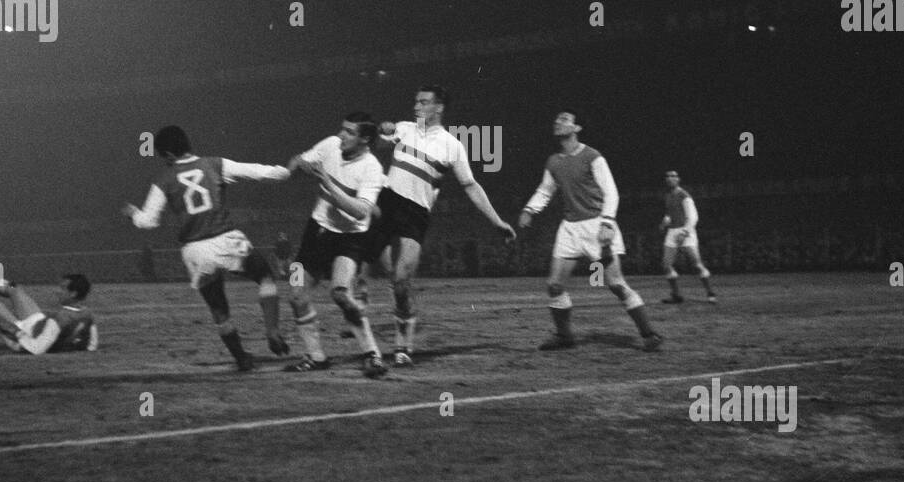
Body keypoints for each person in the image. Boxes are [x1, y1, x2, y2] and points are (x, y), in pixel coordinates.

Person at [364, 86, 515, 366]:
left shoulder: (451, 145)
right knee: (369, 267)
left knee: (401, 281)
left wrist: (496, 221)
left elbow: (470, 185)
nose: (416, 106)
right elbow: (375, 142)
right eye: (416, 101)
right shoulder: (405, 128)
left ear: (439, 108)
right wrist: (381, 130)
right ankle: (366, 336)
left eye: (423, 102)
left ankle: (402, 344)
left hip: (416, 213)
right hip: (388, 203)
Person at [124, 125, 290, 371]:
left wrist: (133, 213)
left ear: (168, 154)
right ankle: (272, 331)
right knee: (265, 277)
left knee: (219, 309)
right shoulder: (214, 164)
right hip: (226, 238)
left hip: (195, 250)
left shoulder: (164, 179)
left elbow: (148, 222)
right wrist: (287, 172)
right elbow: (258, 172)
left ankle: (241, 358)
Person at [517, 111, 663, 352]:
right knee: (554, 285)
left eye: (565, 120)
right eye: (556, 120)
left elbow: (611, 191)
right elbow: (545, 190)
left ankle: (649, 334)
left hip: (597, 225)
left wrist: (607, 223)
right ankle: (564, 336)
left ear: (577, 128)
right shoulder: (553, 161)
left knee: (616, 284)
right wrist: (530, 210)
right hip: (569, 229)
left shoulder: (592, 156)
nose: (558, 122)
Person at [282, 114, 388, 376]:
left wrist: (327, 183)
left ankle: (372, 354)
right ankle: (316, 357)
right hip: (316, 231)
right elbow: (298, 161)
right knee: (295, 293)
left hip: (350, 238)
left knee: (340, 293)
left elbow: (360, 211)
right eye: (342, 129)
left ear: (365, 139)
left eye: (350, 132)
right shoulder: (330, 144)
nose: (341, 135)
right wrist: (296, 166)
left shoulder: (371, 168)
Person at [659, 170, 717, 303]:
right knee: (666, 265)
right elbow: (669, 214)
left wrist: (684, 232)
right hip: (672, 231)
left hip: (686, 231)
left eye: (673, 176)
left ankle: (710, 292)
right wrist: (664, 222)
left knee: (696, 264)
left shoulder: (684, 196)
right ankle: (676, 295)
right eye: (668, 176)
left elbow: (693, 217)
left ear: (678, 179)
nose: (670, 178)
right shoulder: (668, 196)